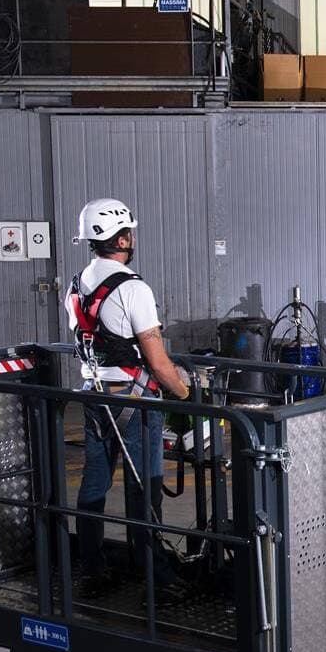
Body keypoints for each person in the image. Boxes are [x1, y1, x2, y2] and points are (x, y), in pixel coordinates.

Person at [64, 198, 191, 596]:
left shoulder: (76, 285)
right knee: (145, 486)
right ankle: (153, 572)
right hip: (134, 402)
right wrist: (186, 394)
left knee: (95, 483)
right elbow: (158, 362)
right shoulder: (132, 288)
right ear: (122, 238)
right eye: (129, 232)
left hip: (95, 395)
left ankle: (92, 565)